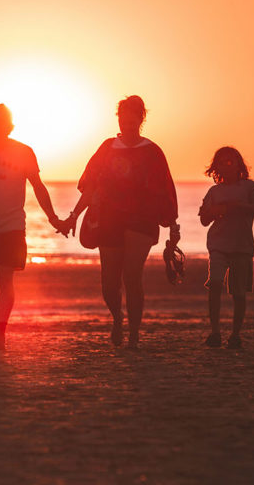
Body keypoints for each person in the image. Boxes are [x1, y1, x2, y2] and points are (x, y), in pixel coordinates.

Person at [62, 95, 179, 349]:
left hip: (142, 220)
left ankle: (134, 334)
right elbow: (90, 186)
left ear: (141, 118)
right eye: (122, 118)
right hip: (109, 218)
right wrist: (74, 215)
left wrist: (172, 226)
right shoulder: (107, 148)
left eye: (131, 118)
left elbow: (165, 190)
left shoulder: (152, 152)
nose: (126, 123)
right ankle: (118, 319)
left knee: (132, 276)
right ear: (118, 118)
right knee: (109, 282)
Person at [0, 104, 64, 351]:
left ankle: (0, 330)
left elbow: (38, 186)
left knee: (7, 281)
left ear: (10, 126)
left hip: (12, 226)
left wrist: (52, 217)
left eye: (1, 123)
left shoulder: (24, 152)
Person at [198, 146, 254, 349]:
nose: (227, 166)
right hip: (218, 245)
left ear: (239, 164)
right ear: (216, 167)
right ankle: (215, 332)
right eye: (222, 162)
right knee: (214, 285)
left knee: (238, 293)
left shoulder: (248, 187)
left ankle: (236, 334)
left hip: (242, 246)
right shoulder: (214, 191)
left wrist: (242, 206)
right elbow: (204, 220)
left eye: (231, 162)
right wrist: (216, 211)